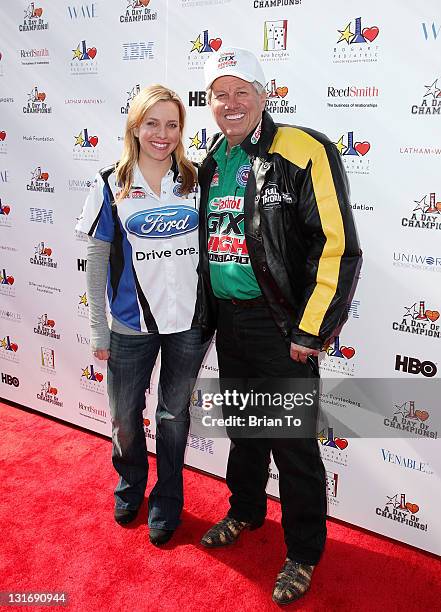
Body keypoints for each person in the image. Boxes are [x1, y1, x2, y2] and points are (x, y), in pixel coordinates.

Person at [197, 48, 361, 604]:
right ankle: (244, 512)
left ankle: (303, 552)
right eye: (220, 93)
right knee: (244, 436)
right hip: (231, 325)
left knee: (293, 446)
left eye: (242, 91)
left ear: (265, 95)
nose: (231, 103)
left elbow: (336, 249)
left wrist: (309, 331)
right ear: (211, 103)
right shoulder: (212, 159)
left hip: (282, 330)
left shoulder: (303, 148)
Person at [76, 84, 210, 546]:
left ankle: (167, 501)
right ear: (135, 125)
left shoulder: (196, 181)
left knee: (174, 417)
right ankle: (130, 485)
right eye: (152, 123)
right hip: (130, 326)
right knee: (125, 418)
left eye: (172, 124)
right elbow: (96, 261)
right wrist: (100, 327)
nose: (162, 134)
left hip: (189, 325)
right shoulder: (109, 183)